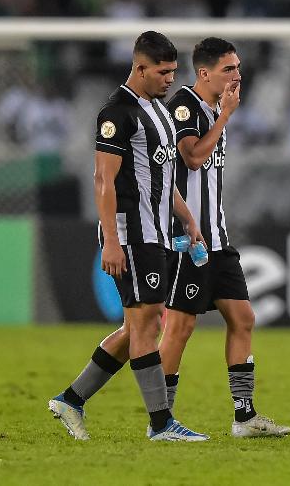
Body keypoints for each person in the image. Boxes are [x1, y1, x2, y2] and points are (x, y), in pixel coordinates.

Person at [48, 31, 209, 442]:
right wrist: (113, 241)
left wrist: (187, 216)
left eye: (174, 72)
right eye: (163, 71)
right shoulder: (116, 113)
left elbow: (161, 175)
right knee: (146, 325)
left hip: (156, 232)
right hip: (131, 234)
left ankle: (71, 399)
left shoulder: (157, 111)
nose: (171, 79)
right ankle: (161, 424)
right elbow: (104, 180)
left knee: (140, 324)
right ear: (140, 68)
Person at [163, 37, 290, 438]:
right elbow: (192, 157)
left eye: (238, 67)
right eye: (229, 69)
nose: (238, 75)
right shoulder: (184, 105)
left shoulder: (217, 107)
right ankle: (161, 419)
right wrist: (224, 118)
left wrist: (223, 114)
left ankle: (245, 417)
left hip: (217, 238)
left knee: (243, 317)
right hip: (188, 240)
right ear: (204, 73)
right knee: (180, 330)